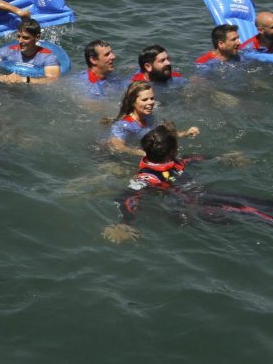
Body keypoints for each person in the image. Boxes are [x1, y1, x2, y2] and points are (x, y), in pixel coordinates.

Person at [103, 126, 273, 243]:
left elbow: (195, 158)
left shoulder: (177, 162)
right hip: (196, 207)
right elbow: (128, 197)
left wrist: (223, 157)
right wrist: (125, 223)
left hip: (207, 196)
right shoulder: (148, 177)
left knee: (257, 205)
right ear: (172, 151)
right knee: (254, 214)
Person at [108, 81, 198, 155]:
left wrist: (186, 133)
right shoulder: (124, 125)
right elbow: (116, 145)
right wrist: (138, 152)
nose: (150, 102)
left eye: (152, 98)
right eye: (144, 100)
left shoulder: (149, 117)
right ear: (133, 102)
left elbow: (163, 136)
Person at [0, 18, 61, 84]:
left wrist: (24, 80)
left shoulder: (47, 56)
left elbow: (52, 80)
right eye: (18, 36)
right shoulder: (8, 50)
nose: (20, 41)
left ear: (37, 37)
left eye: (25, 38)